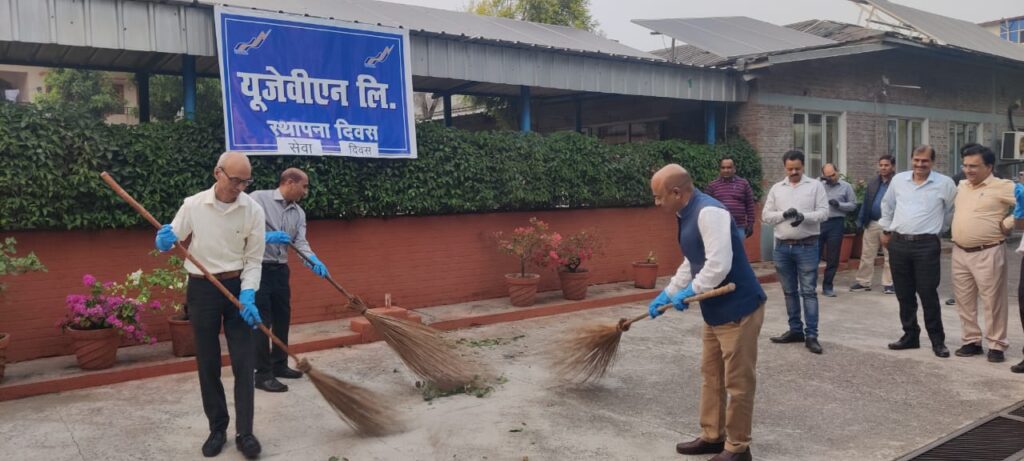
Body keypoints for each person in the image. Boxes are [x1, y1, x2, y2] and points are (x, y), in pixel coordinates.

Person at [648, 164, 766, 461]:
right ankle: (713, 436)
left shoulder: (709, 212)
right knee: (711, 374)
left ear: (677, 192)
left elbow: (718, 264)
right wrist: (671, 292)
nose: (656, 202)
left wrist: (692, 292)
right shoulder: (685, 213)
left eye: (659, 196)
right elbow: (692, 260)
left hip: (739, 307)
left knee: (738, 382)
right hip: (714, 310)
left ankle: (738, 448)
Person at [155, 151, 265, 458]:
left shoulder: (252, 210)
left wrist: (248, 294)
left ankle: (245, 432)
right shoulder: (193, 204)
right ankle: (218, 428)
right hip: (202, 289)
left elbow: (254, 258)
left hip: (237, 287)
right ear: (218, 172)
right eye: (235, 180)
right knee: (208, 362)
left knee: (244, 361)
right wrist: (164, 240)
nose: (240, 187)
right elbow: (174, 236)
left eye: (246, 181)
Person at [249, 168, 330, 393]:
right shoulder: (257, 199)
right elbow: (241, 231)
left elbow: (300, 243)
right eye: (304, 186)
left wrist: (313, 260)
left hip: (280, 271)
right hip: (258, 269)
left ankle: (279, 365)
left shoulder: (299, 213)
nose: (306, 191)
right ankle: (262, 375)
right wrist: (266, 237)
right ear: (290, 182)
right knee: (261, 322)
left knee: (282, 318)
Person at [880, 145, 955, 358]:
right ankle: (910, 335)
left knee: (928, 293)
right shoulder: (899, 181)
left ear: (933, 162)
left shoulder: (945, 184)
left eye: (925, 161)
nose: (920, 165)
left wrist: (938, 230)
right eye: (916, 160)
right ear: (911, 159)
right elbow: (887, 205)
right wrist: (886, 230)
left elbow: (950, 211)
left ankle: (937, 341)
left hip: (926, 246)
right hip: (899, 243)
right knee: (904, 294)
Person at [950, 145, 1022, 363]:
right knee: (964, 300)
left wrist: (1009, 223)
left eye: (974, 166)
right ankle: (971, 340)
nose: (968, 170)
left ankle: (996, 344)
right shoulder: (961, 185)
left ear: (989, 166)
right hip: (960, 251)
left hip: (988, 251)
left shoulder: (1003, 186)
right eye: (965, 165)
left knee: (993, 301)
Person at [762, 150, 829, 354]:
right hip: (782, 246)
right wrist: (784, 214)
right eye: (790, 169)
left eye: (797, 169)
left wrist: (804, 216)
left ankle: (812, 335)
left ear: (804, 166)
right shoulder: (777, 188)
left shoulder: (815, 186)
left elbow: (824, 213)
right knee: (789, 291)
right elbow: (765, 215)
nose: (793, 172)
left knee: (808, 291)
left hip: (807, 245)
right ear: (784, 167)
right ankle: (795, 330)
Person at [851, 155, 896, 294]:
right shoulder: (873, 183)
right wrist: (861, 221)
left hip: (890, 224)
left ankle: (889, 284)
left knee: (890, 256)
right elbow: (866, 203)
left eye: (886, 165)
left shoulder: (897, 183)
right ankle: (863, 281)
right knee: (867, 254)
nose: (883, 167)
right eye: (881, 165)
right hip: (872, 223)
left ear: (893, 167)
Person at [818, 163, 856, 297]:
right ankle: (809, 286)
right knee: (813, 256)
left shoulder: (846, 187)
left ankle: (828, 286)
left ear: (838, 172)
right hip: (820, 222)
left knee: (833, 257)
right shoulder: (819, 186)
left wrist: (839, 204)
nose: (831, 178)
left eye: (833, 175)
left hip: (836, 223)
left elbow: (852, 205)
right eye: (828, 176)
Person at [705, 156, 757, 239]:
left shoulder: (743, 184)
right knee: (720, 251)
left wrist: (750, 224)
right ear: (720, 169)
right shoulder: (712, 186)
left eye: (729, 167)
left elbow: (750, 204)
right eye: (723, 168)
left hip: (738, 227)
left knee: (737, 252)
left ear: (734, 169)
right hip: (718, 228)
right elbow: (706, 206)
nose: (726, 170)